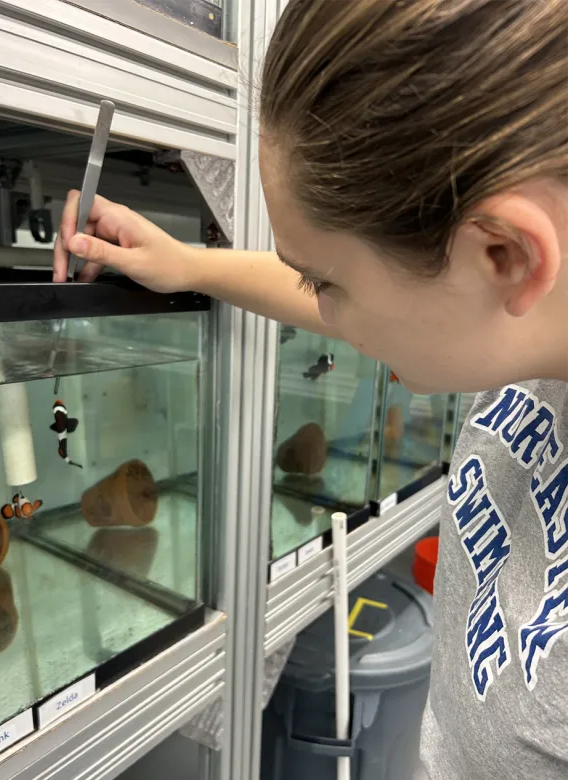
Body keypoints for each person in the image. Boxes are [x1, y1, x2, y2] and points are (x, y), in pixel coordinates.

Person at [54, 1, 568, 777]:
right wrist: (188, 264)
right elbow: (388, 291)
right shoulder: (528, 329)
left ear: (504, 256)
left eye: (324, 280)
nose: (320, 306)